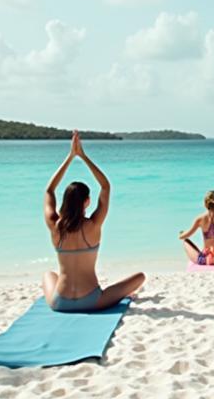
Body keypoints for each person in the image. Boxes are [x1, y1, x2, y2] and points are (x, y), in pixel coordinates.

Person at [42, 131, 145, 311]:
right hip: (91, 301)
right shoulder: (93, 225)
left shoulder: (54, 225)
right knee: (140, 277)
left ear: (65, 201)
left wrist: (69, 157)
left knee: (48, 275)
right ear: (87, 201)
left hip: (60, 303)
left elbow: (49, 190)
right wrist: (83, 156)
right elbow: (105, 186)